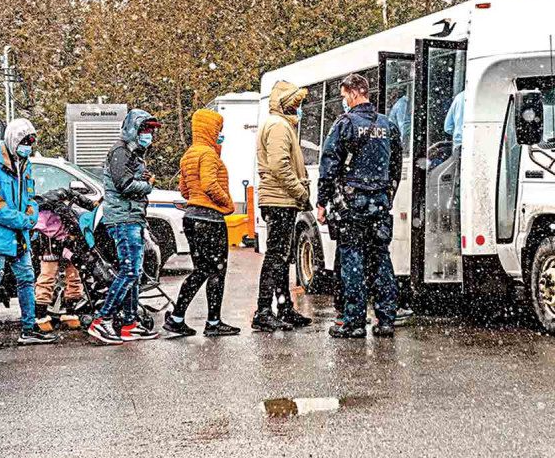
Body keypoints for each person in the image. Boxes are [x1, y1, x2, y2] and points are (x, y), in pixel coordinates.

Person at [317, 73, 402, 339]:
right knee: (381, 258)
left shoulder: (344, 124)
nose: (344, 101)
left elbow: (329, 166)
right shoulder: (388, 125)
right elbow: (396, 165)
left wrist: (322, 201)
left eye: (344, 96)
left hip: (352, 203)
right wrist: (387, 194)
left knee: (352, 259)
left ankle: (353, 321)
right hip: (379, 203)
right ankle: (386, 319)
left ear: (354, 93)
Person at [0, 118, 58, 349]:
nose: (28, 146)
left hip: (17, 236)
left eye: (31, 141)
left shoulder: (24, 165)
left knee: (26, 279)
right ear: (13, 139)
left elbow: (30, 198)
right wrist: (25, 220)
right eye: (25, 141)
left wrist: (30, 216)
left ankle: (29, 328)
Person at [87, 109, 161, 345]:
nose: (148, 135)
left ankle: (130, 323)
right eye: (144, 130)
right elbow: (124, 184)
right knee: (129, 271)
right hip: (123, 219)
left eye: (151, 130)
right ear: (133, 129)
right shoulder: (120, 151)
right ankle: (102, 319)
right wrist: (147, 185)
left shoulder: (132, 153)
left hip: (131, 217)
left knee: (134, 272)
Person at [164, 109, 240, 337]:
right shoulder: (208, 155)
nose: (220, 135)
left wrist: (196, 200)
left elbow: (184, 190)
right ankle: (213, 322)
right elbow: (209, 184)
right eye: (219, 130)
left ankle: (177, 318)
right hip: (210, 219)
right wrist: (227, 204)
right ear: (210, 129)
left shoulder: (189, 154)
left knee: (200, 270)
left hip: (192, 217)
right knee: (217, 270)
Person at [252, 81, 313, 333]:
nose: (298, 109)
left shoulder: (279, 125)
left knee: (280, 256)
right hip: (280, 199)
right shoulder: (279, 126)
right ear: (285, 104)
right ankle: (264, 310)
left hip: (279, 199)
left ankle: (283, 306)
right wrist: (300, 192)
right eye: (295, 104)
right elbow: (279, 165)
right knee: (276, 257)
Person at [33, 187, 99, 332]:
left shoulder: (52, 209)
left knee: (56, 277)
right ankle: (45, 315)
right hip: (52, 243)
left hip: (58, 241)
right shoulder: (55, 213)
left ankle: (53, 315)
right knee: (53, 277)